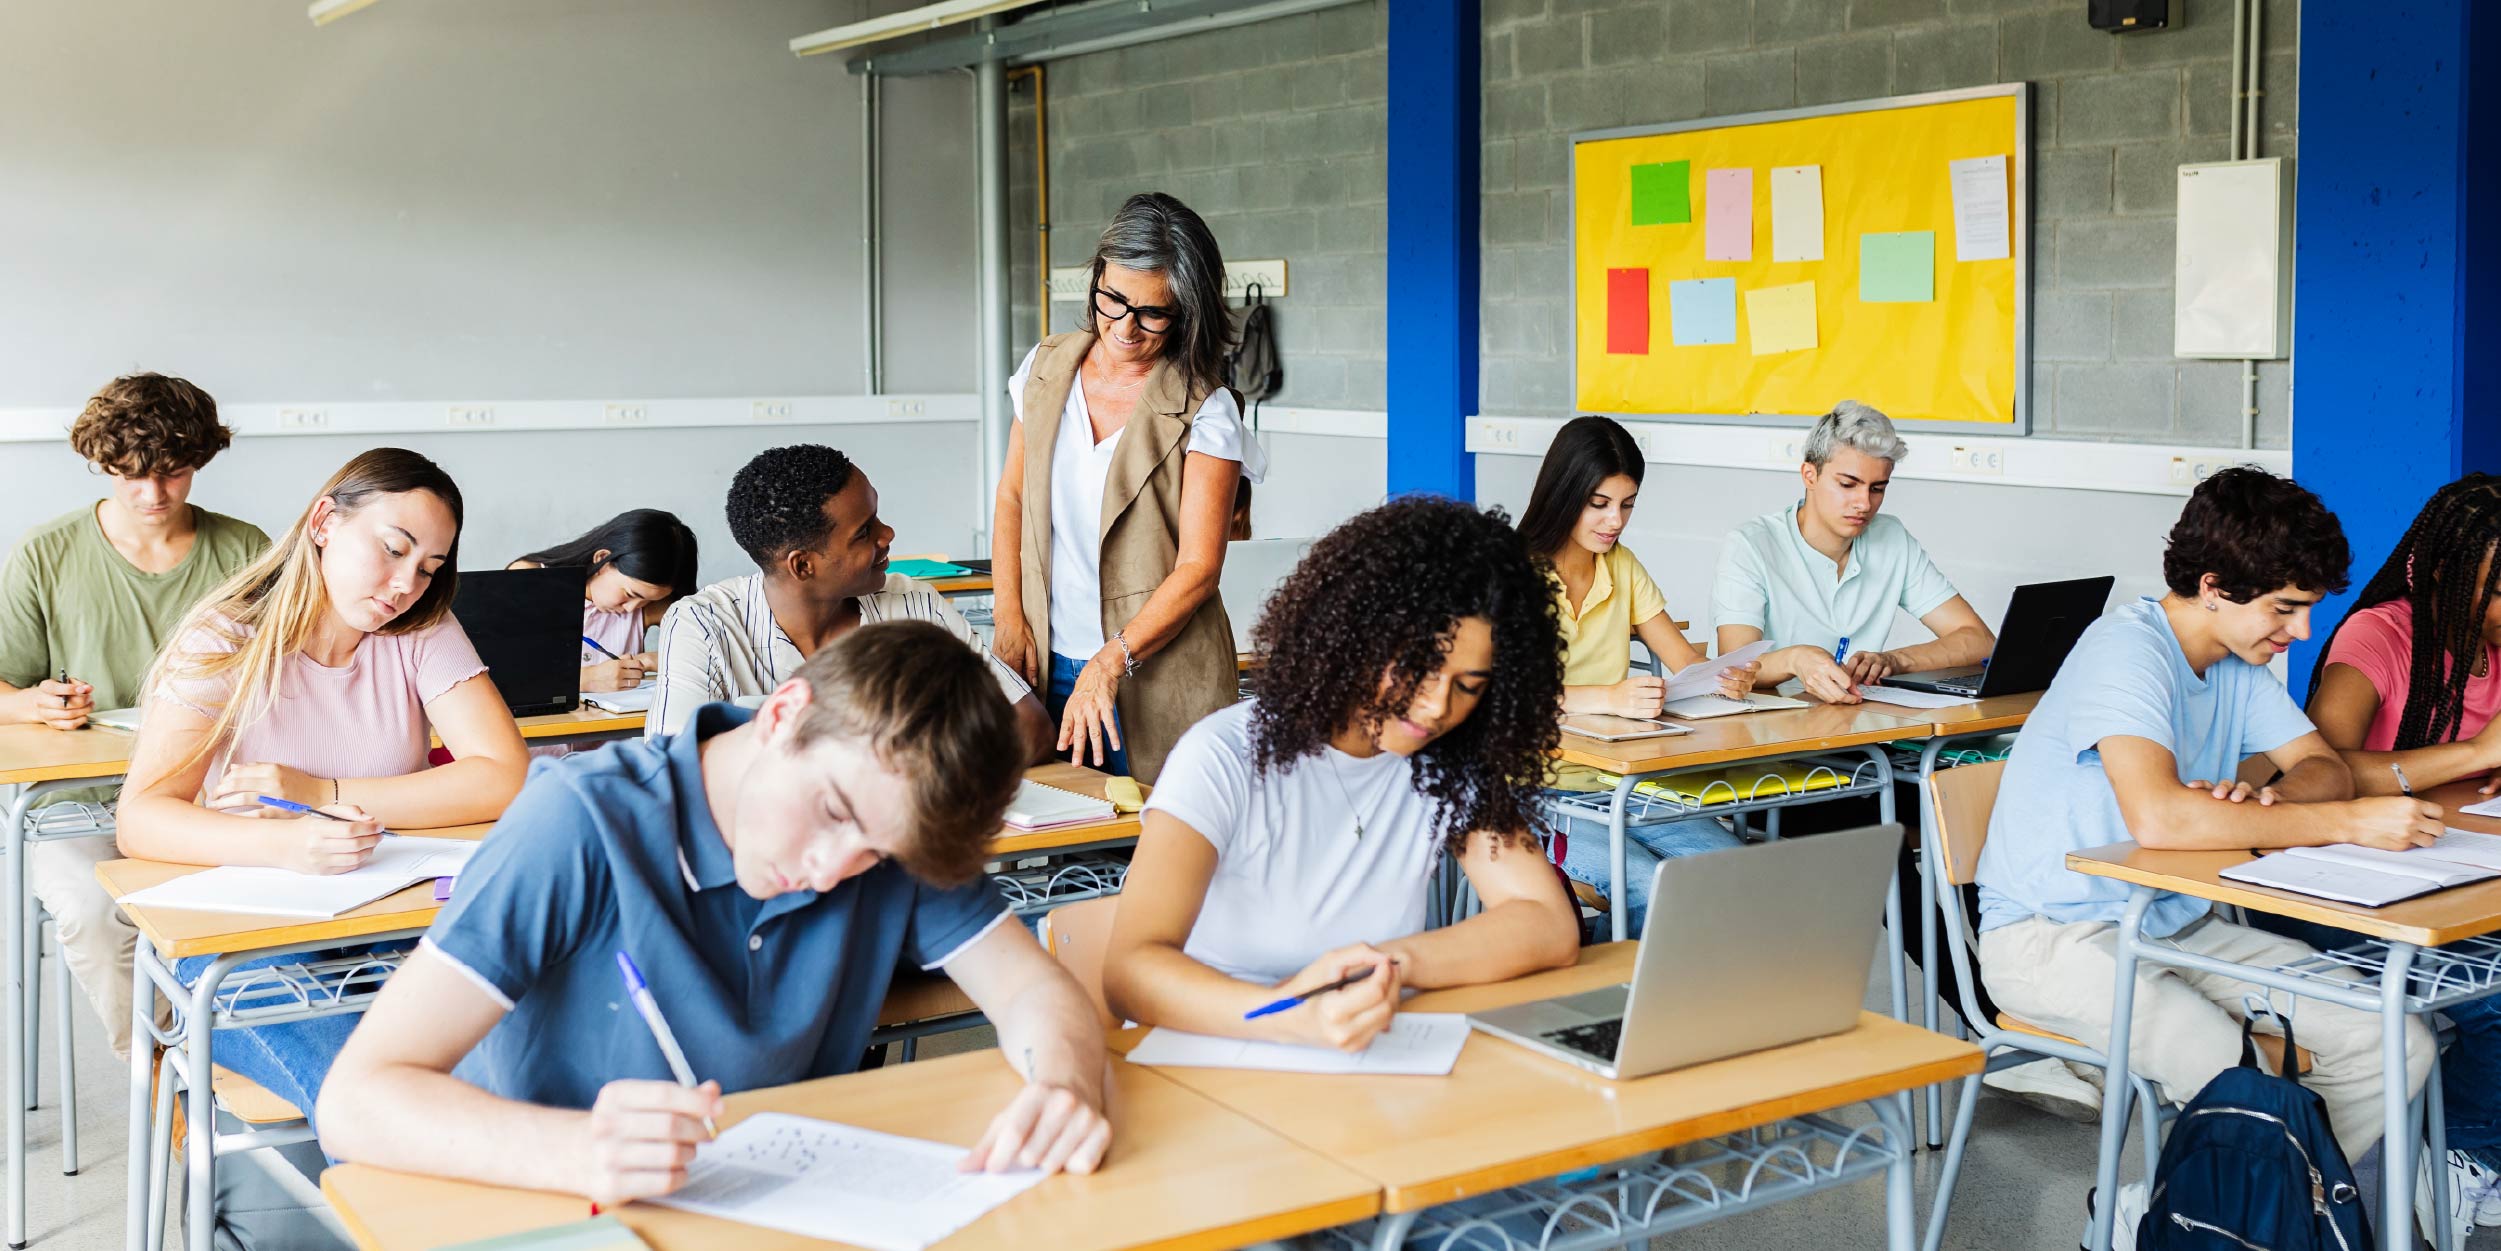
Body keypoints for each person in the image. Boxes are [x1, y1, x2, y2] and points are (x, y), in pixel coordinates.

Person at [318, 622, 1114, 1203]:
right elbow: (356, 1100)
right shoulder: (579, 823)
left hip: (761, 1202)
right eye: (832, 812)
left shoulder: (893, 818)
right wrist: (578, 1149)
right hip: (549, 1200)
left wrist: (1068, 1085)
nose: (833, 870)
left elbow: (1032, 992)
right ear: (782, 714)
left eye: (874, 853)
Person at [1973, 467, 2437, 1176]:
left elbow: (2324, 767)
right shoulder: (2124, 651)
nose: (2301, 630)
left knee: (2398, 1039)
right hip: (2052, 940)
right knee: (2243, 1077)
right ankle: (2196, 1214)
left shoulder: (2235, 659)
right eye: (2284, 608)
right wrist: (2344, 823)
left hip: (2171, 923)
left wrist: (2262, 795)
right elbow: (2158, 815)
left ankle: (2267, 1209)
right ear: (2214, 587)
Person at [115, 448, 530, 1119]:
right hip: (246, 942)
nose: (406, 584)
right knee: (371, 1096)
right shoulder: (226, 638)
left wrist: (323, 793)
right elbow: (141, 819)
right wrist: (285, 846)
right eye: (393, 549)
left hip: (393, 922)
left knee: (515, 1063)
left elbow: (505, 776)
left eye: (429, 567)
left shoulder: (423, 628)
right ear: (323, 522)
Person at [1102, 497, 1580, 1054]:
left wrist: (1390, 964)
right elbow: (1129, 972)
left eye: (1468, 686)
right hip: (1212, 1053)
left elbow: (1548, 923)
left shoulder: (1444, 764)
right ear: (1358, 636)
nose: (1434, 707)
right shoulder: (1224, 756)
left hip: (1361, 1050)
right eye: (1416, 669)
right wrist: (1295, 1017)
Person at [0, 373, 269, 1059]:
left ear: (200, 461)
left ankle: (240, 1065)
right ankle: (164, 1080)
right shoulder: (47, 553)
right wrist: (32, 702)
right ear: (102, 464)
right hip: (75, 803)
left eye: (174, 474)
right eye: (132, 476)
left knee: (280, 893)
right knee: (94, 913)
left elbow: (290, 673)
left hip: (206, 795)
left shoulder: (244, 551)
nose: (154, 495)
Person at [990, 192, 1267, 782]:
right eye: (1112, 300)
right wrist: (1009, 617)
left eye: (1152, 313)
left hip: (1159, 674)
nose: (1124, 327)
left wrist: (1110, 660)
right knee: (1065, 856)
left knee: (1159, 848)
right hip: (1047, 660)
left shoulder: (1206, 408)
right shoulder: (1043, 369)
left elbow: (1198, 567)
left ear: (1187, 312)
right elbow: (1012, 498)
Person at [2303, 472, 2501, 1226]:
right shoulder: (2379, 635)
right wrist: (2473, 751)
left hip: (2454, 865)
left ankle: (2469, 1142)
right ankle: (2460, 1155)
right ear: (2447, 577)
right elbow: (2321, 769)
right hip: (2348, 884)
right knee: (2492, 1001)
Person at [647, 444, 1052, 762]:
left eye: (878, 515)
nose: (888, 533)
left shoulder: (913, 605)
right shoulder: (704, 624)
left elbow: (1028, 726)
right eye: (864, 532)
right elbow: (673, 765)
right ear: (803, 565)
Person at [1517, 416, 1750, 936]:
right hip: (1529, 792)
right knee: (1648, 888)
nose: (1614, 520)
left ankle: (1649, 996)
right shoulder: (1512, 572)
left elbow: (1684, 661)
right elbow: (1503, 698)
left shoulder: (1622, 565)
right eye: (1599, 503)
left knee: (1732, 872)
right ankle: (1607, 1001)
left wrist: (1719, 677)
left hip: (1617, 780)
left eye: (1626, 504)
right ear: (1562, 494)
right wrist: (1610, 697)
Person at [1714, 401, 1994, 704]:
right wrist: (1795, 660)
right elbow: (1733, 668)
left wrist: (1894, 661)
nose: (1864, 503)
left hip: (1856, 724)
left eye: (1877, 489)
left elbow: (1979, 640)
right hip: (1762, 728)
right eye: (1848, 484)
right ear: (1809, 475)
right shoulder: (1750, 545)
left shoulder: (1892, 538)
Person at [508, 509, 698, 693]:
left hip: (618, 724)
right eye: (631, 594)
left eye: (647, 601)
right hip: (541, 725)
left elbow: (711, 655)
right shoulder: (530, 578)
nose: (632, 608)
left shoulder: (652, 606)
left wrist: (651, 660)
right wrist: (585, 680)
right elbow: (500, 676)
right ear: (602, 559)